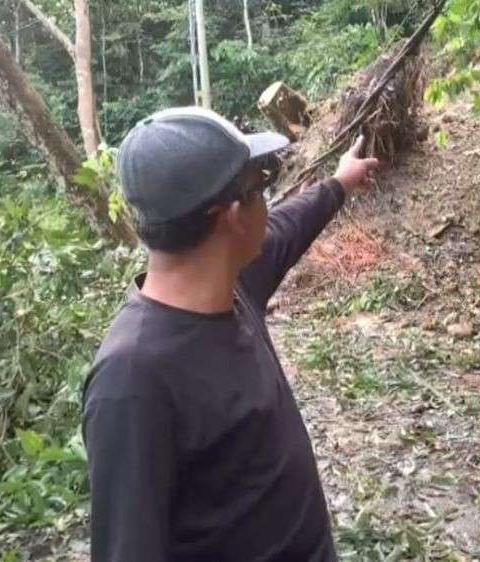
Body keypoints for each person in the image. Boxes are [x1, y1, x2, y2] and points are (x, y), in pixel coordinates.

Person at [82, 106, 379, 561]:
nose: (270, 201)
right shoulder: (133, 380)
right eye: (262, 186)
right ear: (232, 215)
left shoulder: (232, 283)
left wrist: (340, 182)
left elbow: (290, 225)